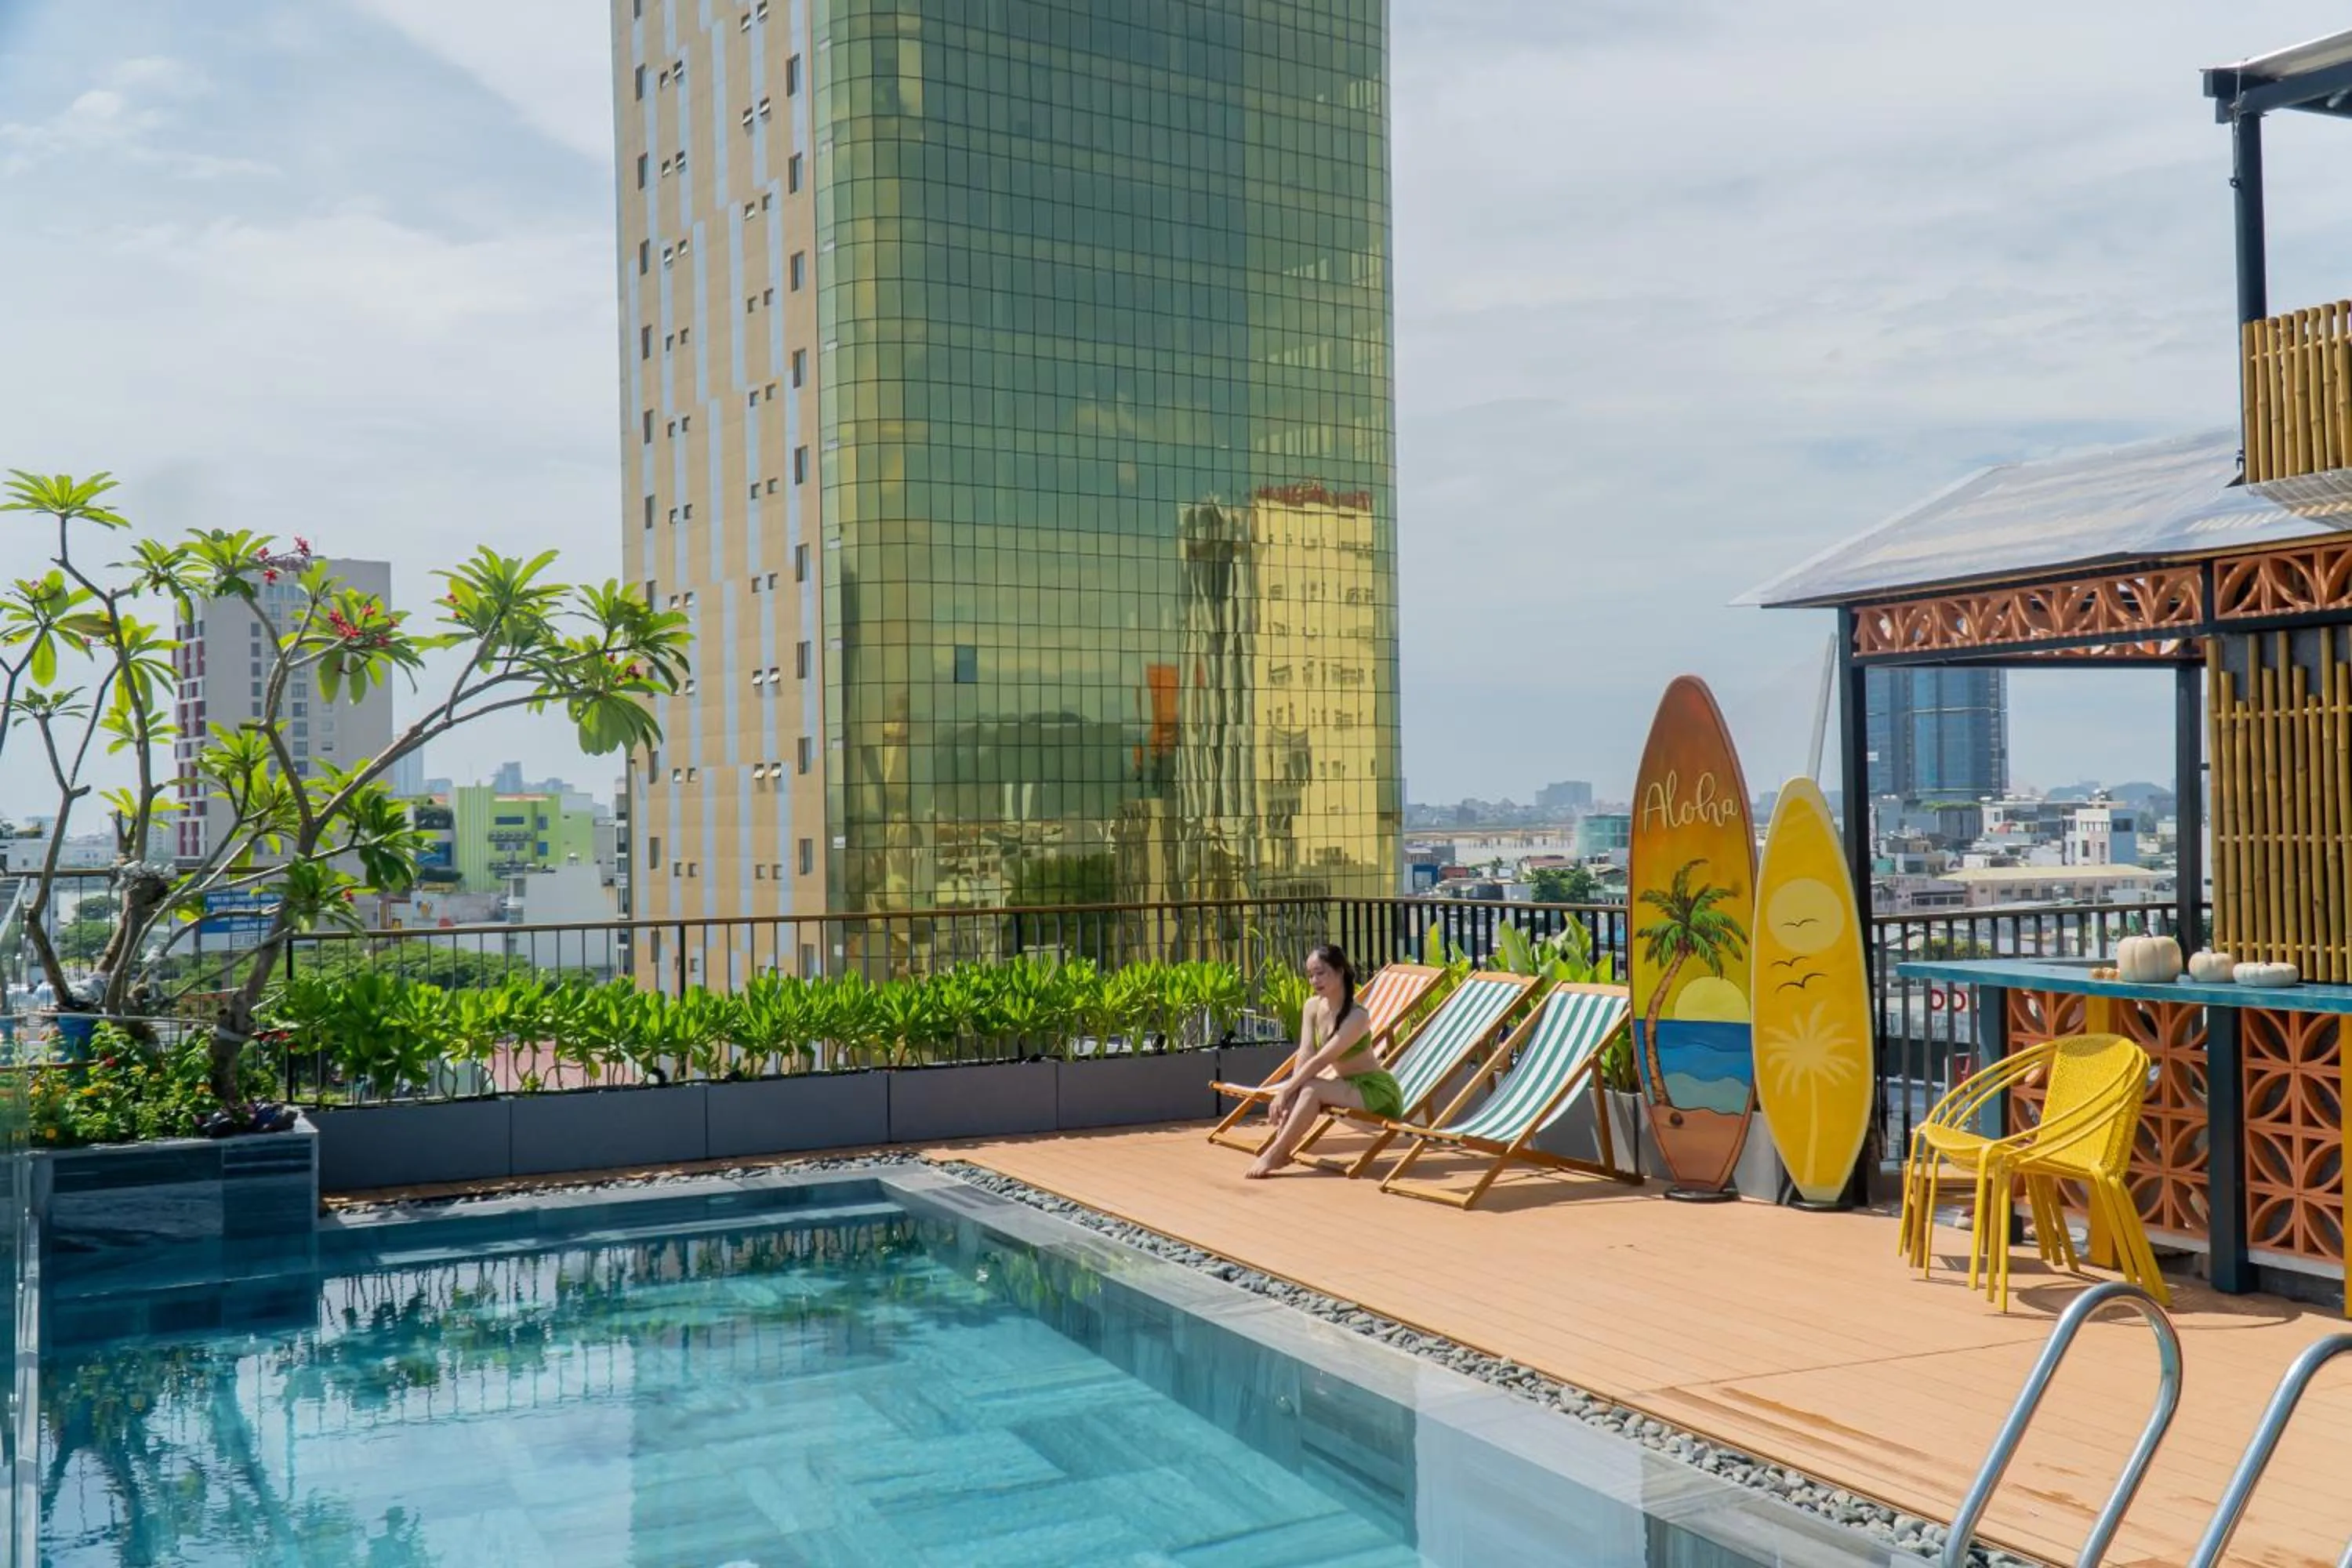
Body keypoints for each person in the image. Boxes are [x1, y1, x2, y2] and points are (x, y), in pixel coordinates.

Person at [1245, 943, 1403, 1179]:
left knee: (1311, 1089)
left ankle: (1278, 1152)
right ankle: (1280, 1146)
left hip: (1377, 1094)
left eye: (1321, 973)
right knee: (1305, 1088)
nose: (1314, 980)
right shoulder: (1311, 1007)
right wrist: (1290, 1095)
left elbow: (1322, 1059)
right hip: (1346, 1087)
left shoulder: (1357, 1016)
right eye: (1310, 975)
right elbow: (1306, 1053)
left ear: (1339, 972)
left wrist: (1285, 1090)